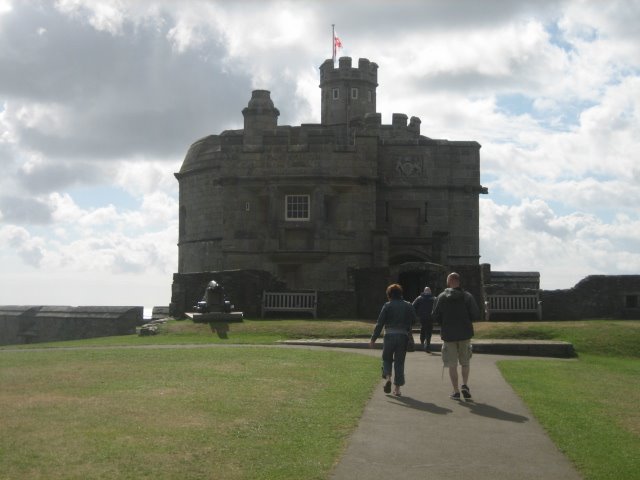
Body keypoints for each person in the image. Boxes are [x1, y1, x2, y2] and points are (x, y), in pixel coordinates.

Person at [432, 272, 480, 401]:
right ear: (459, 281)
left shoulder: (441, 297)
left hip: (448, 334)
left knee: (452, 364)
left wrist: (444, 322)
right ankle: (464, 384)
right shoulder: (467, 296)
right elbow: (475, 314)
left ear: (449, 282)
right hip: (465, 333)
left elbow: (435, 316)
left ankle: (456, 391)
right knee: (465, 362)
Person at [369, 283, 417, 396]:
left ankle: (388, 378)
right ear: (400, 294)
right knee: (399, 363)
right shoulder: (408, 305)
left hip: (389, 335)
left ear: (389, 295)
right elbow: (414, 320)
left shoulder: (387, 305)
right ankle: (397, 389)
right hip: (403, 336)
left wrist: (373, 339)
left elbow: (379, 323)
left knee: (387, 359)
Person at [412, 286, 435, 352]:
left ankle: (422, 340)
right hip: (430, 317)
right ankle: (427, 345)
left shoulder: (419, 298)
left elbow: (413, 306)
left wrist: (416, 314)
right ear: (430, 291)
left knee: (423, 328)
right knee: (429, 331)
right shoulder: (434, 298)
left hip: (422, 317)